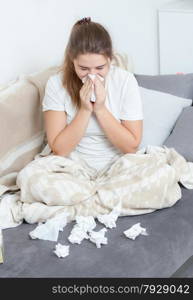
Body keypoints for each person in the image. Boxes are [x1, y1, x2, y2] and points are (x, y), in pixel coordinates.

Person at [42, 17, 143, 172]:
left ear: (110, 59)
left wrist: (100, 109)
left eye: (100, 68)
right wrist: (85, 110)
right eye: (83, 69)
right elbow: (59, 150)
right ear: (72, 60)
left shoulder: (125, 81)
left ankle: (95, 194)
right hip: (72, 166)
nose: (92, 75)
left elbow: (131, 146)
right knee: (32, 179)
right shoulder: (56, 84)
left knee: (161, 175)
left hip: (118, 164)